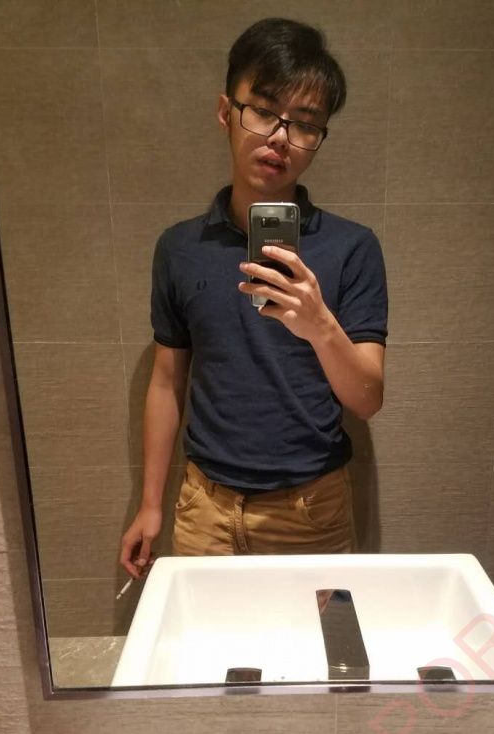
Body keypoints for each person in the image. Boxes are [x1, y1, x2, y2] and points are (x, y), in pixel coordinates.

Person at [119, 17, 388, 575]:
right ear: (226, 112)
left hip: (311, 512)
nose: (281, 137)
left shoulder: (352, 248)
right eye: (264, 111)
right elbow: (166, 381)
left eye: (305, 123)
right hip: (204, 510)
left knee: (316, 638)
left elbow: (367, 400)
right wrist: (150, 504)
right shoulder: (179, 248)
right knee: (206, 638)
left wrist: (319, 325)